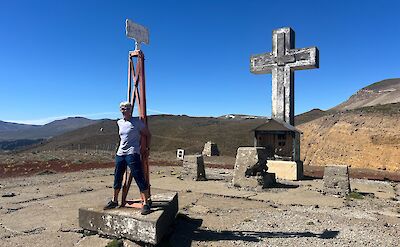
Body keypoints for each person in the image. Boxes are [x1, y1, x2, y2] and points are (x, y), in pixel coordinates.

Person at [104, 101, 152, 215]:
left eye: (127, 108)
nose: (124, 110)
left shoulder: (137, 122)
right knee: (117, 176)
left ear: (131, 110)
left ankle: (145, 203)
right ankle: (114, 200)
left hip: (132, 153)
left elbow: (148, 134)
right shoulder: (119, 122)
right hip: (120, 153)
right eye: (122, 108)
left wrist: (146, 148)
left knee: (139, 176)